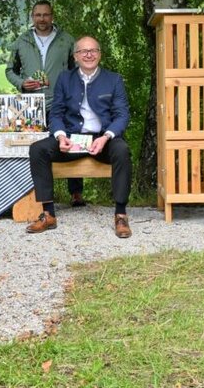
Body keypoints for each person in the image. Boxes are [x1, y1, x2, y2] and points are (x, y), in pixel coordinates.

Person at [26, 36, 133, 238]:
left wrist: (106, 137)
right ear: (75, 56)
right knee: (38, 149)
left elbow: (122, 115)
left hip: (103, 140)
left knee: (122, 150)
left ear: (100, 54)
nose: (89, 54)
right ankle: (48, 213)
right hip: (72, 139)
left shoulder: (114, 80)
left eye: (93, 50)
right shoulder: (65, 79)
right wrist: (60, 137)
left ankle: (120, 214)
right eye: (83, 51)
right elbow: (56, 113)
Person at [5, 0, 83, 204]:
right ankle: (33, 195)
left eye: (46, 15)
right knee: (33, 148)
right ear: (32, 17)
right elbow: (9, 70)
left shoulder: (66, 40)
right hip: (31, 105)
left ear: (52, 16)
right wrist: (22, 83)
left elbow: (78, 70)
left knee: (70, 143)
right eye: (38, 15)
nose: (42, 19)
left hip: (61, 102)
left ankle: (76, 193)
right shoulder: (22, 41)